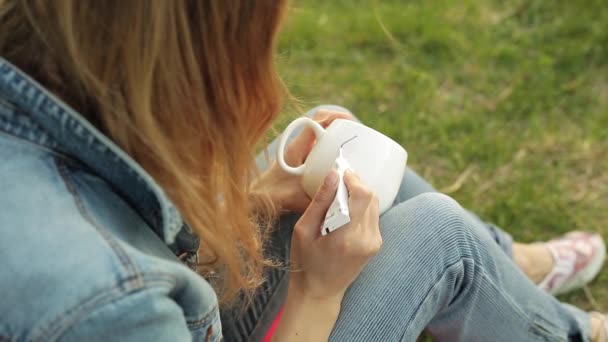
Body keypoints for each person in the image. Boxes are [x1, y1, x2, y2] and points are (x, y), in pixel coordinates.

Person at [0, 1, 605, 341]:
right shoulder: (108, 307)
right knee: (437, 237)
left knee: (334, 149)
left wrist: (254, 199)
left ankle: (515, 269)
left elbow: (118, 219)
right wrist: (320, 292)